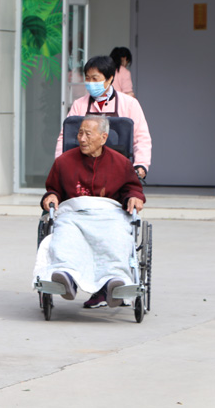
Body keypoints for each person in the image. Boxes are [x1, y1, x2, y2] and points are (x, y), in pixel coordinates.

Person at [38, 115, 146, 309]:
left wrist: (134, 197)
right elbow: (53, 189)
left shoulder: (121, 163)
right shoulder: (64, 162)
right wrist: (51, 197)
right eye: (80, 133)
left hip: (109, 215)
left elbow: (132, 188)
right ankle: (66, 276)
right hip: (74, 214)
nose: (82, 138)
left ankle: (115, 281)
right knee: (66, 235)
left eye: (88, 134)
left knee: (117, 236)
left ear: (103, 137)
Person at [54, 55, 151, 180]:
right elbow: (65, 138)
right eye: (88, 78)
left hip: (118, 171)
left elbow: (141, 137)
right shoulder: (79, 104)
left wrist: (141, 165)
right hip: (84, 171)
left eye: (95, 79)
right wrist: (59, 164)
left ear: (110, 79)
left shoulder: (129, 104)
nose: (90, 83)